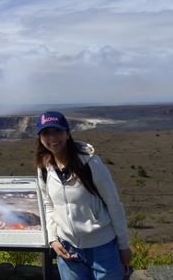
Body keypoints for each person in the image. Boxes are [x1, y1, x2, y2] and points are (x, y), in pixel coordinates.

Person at [34, 111, 132, 280]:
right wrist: (53, 240)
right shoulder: (44, 169)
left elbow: (113, 204)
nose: (52, 138)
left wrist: (123, 246)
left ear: (67, 133)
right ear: (40, 138)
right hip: (68, 249)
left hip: (103, 248)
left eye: (57, 131)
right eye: (46, 133)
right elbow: (48, 205)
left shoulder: (90, 163)